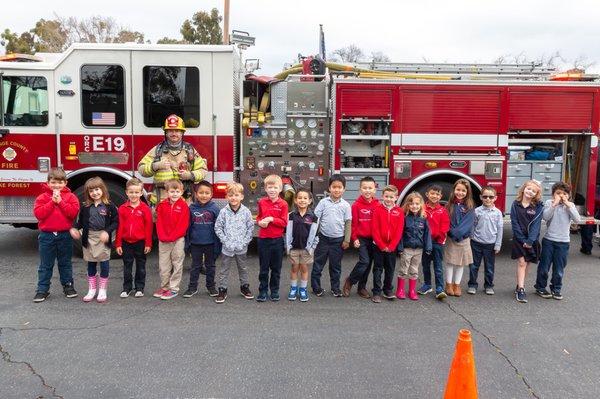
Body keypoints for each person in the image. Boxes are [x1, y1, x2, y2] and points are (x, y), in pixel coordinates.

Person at [33, 167, 80, 303]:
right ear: (48, 183)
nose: (56, 185)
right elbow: (39, 214)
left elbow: (72, 213)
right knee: (45, 265)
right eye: (53, 182)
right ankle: (42, 289)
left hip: (64, 235)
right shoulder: (42, 198)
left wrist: (60, 202)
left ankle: (68, 286)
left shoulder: (71, 197)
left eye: (60, 182)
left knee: (65, 263)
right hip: (46, 236)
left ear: (65, 183)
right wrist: (52, 202)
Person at [137, 114, 208, 204]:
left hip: (184, 203)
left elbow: (203, 170)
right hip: (161, 203)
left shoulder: (190, 150)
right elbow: (141, 168)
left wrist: (190, 175)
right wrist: (155, 166)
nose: (174, 134)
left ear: (182, 133)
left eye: (177, 131)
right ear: (166, 133)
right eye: (170, 131)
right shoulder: (157, 150)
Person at [70, 177, 119, 303]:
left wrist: (107, 232)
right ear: (88, 193)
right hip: (89, 238)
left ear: (102, 189)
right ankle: (92, 289)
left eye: (97, 189)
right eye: (91, 191)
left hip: (102, 239)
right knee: (91, 264)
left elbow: (116, 222)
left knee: (104, 264)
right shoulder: (86, 207)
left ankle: (102, 290)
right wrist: (75, 229)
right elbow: (80, 223)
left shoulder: (109, 206)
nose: (95, 193)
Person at [534, 182, 580, 300]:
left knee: (559, 269)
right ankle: (540, 287)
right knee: (544, 267)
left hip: (563, 242)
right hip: (549, 240)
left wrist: (568, 205)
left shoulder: (570, 206)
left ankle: (556, 288)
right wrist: (554, 204)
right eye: (558, 193)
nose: (561, 196)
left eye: (564, 194)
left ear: (568, 195)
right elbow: (546, 217)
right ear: (553, 195)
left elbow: (577, 219)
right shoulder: (550, 203)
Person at [311, 174, 352, 297]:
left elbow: (348, 223)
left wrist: (347, 240)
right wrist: (313, 236)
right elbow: (316, 219)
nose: (337, 190)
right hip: (323, 239)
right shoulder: (323, 202)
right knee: (318, 264)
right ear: (329, 188)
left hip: (338, 241)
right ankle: (316, 287)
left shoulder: (345, 205)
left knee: (335, 266)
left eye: (340, 187)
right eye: (334, 187)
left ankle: (335, 288)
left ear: (344, 189)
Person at [214, 182, 255, 304]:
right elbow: (218, 227)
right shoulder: (223, 212)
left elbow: (250, 228)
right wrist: (225, 241)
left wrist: (245, 242)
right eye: (230, 195)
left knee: (243, 268)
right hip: (227, 248)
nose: (233, 198)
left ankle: (244, 287)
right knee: (224, 269)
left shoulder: (246, 211)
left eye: (236, 195)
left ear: (242, 196)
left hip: (241, 247)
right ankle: (222, 289)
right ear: (227, 197)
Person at [183, 180, 222, 298]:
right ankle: (192, 288)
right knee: (195, 266)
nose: (204, 195)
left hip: (210, 243)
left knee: (210, 266)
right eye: (201, 193)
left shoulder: (215, 208)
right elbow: (188, 227)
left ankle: (211, 287)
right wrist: (187, 243)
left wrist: (218, 244)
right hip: (195, 243)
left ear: (211, 195)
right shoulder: (191, 208)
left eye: (207, 193)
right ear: (196, 194)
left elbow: (219, 226)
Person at [115, 178, 153, 298]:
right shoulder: (122, 208)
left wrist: (148, 243)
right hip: (126, 242)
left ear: (141, 193)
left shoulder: (145, 209)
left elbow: (149, 227)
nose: (134, 195)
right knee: (127, 266)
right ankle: (127, 288)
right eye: (131, 192)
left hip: (140, 242)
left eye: (137, 192)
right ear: (126, 192)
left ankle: (139, 288)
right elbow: (119, 227)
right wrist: (118, 244)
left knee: (141, 266)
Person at [343, 176, 379, 299]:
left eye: (370, 188)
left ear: (375, 189)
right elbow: (353, 225)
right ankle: (350, 281)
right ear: (360, 190)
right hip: (362, 239)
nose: (367, 190)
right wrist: (355, 238)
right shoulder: (356, 206)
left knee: (368, 265)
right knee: (364, 262)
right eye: (364, 188)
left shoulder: (378, 205)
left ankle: (361, 288)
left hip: (374, 239)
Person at [153, 179, 190, 300]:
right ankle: (164, 287)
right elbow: (159, 223)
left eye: (177, 191)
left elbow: (183, 225)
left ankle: (174, 289)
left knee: (177, 264)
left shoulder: (184, 206)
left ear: (181, 192)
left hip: (177, 240)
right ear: (167, 192)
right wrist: (162, 236)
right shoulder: (162, 205)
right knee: (163, 266)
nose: (174, 194)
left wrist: (174, 237)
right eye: (172, 191)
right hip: (163, 240)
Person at [256, 175, 289, 302]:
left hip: (277, 241)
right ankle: (263, 291)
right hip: (263, 240)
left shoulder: (283, 204)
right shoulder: (262, 202)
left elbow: (284, 222)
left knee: (276, 268)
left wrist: (271, 219)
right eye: (270, 187)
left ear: (280, 189)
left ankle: (274, 290)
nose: (272, 190)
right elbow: (258, 217)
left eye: (275, 187)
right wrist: (260, 223)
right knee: (263, 268)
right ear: (265, 188)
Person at [510, 179, 543, 303]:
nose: (530, 192)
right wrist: (522, 239)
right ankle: (521, 290)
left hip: (531, 240)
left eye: (533, 191)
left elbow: (536, 226)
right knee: (522, 263)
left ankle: (519, 284)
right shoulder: (515, 204)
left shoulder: (538, 206)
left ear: (536, 194)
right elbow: (515, 223)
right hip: (519, 240)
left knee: (527, 263)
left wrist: (530, 240)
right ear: (524, 189)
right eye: (529, 189)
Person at [467, 186, 503, 295]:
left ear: (495, 198)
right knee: (474, 266)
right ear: (480, 197)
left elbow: (500, 229)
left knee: (489, 267)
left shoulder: (497, 213)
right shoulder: (477, 211)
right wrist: (471, 238)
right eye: (485, 196)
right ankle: (472, 285)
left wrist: (498, 245)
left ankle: (488, 285)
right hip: (476, 243)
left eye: (491, 197)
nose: (488, 199)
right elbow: (472, 226)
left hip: (490, 244)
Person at [371, 185, 404, 303]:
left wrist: (391, 246)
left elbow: (399, 231)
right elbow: (374, 229)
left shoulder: (399, 212)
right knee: (378, 269)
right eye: (386, 196)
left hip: (392, 247)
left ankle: (388, 289)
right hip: (378, 246)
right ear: (382, 196)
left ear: (396, 197)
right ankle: (376, 292)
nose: (389, 199)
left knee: (390, 269)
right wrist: (381, 245)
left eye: (391, 197)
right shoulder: (377, 210)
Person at [285, 189, 319, 302]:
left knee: (304, 268)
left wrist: (312, 248)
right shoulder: (291, 216)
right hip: (294, 248)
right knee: (294, 268)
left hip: (306, 249)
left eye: (305, 198)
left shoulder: (313, 217)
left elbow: (316, 235)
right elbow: (287, 232)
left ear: (309, 201)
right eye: (299, 198)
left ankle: (303, 289)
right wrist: (288, 246)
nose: (302, 200)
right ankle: (293, 288)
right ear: (295, 200)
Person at [397, 192, 432, 301]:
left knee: (414, 270)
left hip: (419, 250)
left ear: (421, 205)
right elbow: (400, 234)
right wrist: (400, 248)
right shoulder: (404, 218)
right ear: (407, 205)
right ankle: (400, 290)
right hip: (406, 249)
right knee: (403, 270)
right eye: (411, 204)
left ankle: (412, 291)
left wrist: (428, 247)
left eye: (417, 204)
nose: (414, 206)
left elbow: (427, 234)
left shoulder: (423, 218)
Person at [444, 179, 475, 297]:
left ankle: (457, 284)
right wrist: (451, 233)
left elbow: (467, 224)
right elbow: (447, 222)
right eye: (458, 190)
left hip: (463, 239)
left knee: (461, 263)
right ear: (454, 190)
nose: (460, 192)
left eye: (463, 190)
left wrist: (457, 234)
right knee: (450, 262)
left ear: (467, 192)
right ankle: (448, 284)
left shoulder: (470, 206)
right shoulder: (449, 205)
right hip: (451, 238)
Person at [418, 184, 450, 300]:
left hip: (437, 243)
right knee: (425, 265)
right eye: (432, 193)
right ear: (427, 194)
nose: (434, 196)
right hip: (425, 243)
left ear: (441, 196)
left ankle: (440, 288)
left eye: (437, 194)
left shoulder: (442, 210)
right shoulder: (422, 209)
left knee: (438, 266)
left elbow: (445, 227)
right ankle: (427, 285)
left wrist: (440, 238)